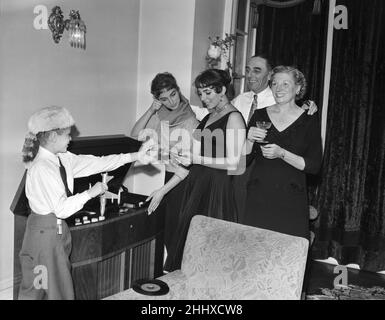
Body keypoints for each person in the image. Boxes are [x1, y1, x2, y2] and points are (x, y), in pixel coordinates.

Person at [19, 106, 154, 300]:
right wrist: (90, 193)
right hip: (46, 234)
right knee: (58, 290)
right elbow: (62, 209)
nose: (71, 139)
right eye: (67, 134)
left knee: (36, 287)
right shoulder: (43, 168)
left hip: (45, 231)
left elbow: (99, 163)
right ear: (52, 137)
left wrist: (135, 156)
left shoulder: (62, 159)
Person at [164, 69, 246, 271]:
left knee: (211, 250)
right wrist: (180, 154)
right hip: (197, 184)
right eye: (200, 93)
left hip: (217, 188)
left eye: (208, 93)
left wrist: (196, 159)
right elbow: (194, 150)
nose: (203, 98)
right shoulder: (209, 117)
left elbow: (236, 163)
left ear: (222, 90)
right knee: (191, 248)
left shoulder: (234, 117)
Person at [232, 54, 318, 219]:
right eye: (276, 84)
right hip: (257, 186)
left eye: (257, 70)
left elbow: (313, 165)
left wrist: (281, 153)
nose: (250, 75)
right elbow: (243, 161)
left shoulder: (307, 116)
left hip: (290, 193)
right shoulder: (248, 105)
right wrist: (249, 139)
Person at [130, 72, 199, 257]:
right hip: (171, 176)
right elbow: (135, 135)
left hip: (187, 179)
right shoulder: (161, 115)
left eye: (173, 94)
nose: (172, 102)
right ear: (158, 100)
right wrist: (151, 110)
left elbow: (188, 165)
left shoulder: (191, 118)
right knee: (170, 231)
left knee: (180, 234)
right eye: (164, 99)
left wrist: (162, 191)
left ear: (178, 90)